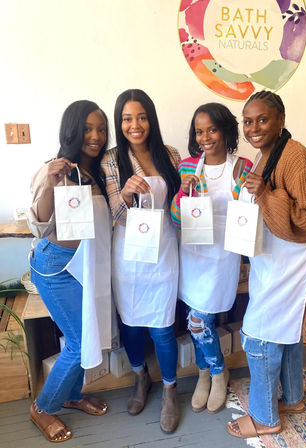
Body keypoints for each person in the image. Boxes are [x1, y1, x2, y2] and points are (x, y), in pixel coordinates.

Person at [226, 91, 306, 439]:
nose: (253, 127)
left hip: (292, 265)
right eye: (248, 121)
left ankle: (264, 417)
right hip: (273, 262)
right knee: (285, 334)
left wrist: (265, 193)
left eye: (262, 119)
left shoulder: (296, 158)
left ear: (281, 120)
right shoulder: (266, 155)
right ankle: (295, 399)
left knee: (260, 336)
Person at [27, 100, 115, 442]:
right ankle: (43, 406)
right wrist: (51, 181)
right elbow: (38, 225)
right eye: (87, 129)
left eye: (100, 129)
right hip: (56, 267)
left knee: (87, 333)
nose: (95, 136)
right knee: (79, 343)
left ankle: (73, 395)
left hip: (85, 266)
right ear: (72, 131)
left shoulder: (98, 171)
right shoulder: (54, 169)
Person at [101, 89, 181, 433]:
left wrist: (191, 191)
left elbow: (179, 209)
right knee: (131, 324)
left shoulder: (170, 155)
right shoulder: (110, 160)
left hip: (163, 249)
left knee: (163, 327)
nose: (135, 125)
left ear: (151, 119)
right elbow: (115, 214)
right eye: (127, 119)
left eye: (142, 117)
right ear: (120, 123)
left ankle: (169, 390)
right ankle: (140, 378)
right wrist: (126, 194)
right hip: (128, 253)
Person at [171, 103, 253, 414]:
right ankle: (205, 374)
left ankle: (217, 372)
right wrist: (182, 192)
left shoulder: (243, 168)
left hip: (222, 257)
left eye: (212, 129)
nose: (205, 137)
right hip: (192, 254)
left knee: (196, 321)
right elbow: (177, 219)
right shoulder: (188, 166)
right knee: (195, 320)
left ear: (226, 131)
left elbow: (251, 213)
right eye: (199, 131)